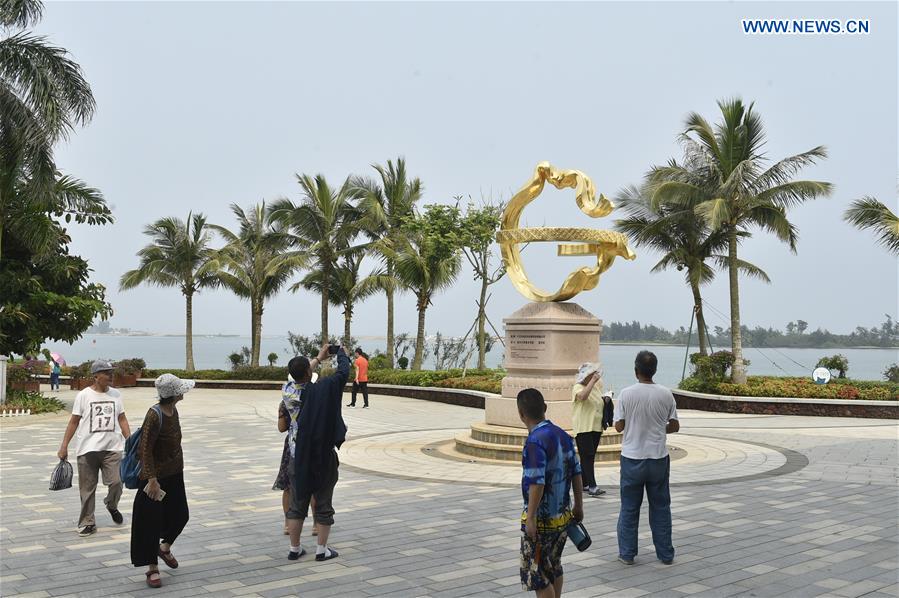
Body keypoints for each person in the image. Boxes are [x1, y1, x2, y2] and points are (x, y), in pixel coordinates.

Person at [613, 350, 679, 566]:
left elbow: (619, 426)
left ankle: (627, 553)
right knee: (660, 507)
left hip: (632, 458)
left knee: (629, 508)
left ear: (636, 370)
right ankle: (665, 554)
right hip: (658, 458)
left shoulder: (626, 394)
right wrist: (659, 429)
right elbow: (675, 426)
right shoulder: (666, 394)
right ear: (655, 370)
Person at [518, 388, 584, 598]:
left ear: (521, 414)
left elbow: (537, 483)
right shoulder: (563, 436)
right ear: (545, 409)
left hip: (541, 523)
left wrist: (530, 518)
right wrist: (578, 506)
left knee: (537, 574)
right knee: (554, 566)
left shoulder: (535, 441)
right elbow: (577, 472)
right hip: (562, 519)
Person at [286, 344, 350, 561]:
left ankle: (295, 549)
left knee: (297, 503)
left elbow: (300, 376)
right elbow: (343, 372)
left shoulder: (291, 390)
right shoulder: (328, 386)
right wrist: (341, 354)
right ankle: (322, 550)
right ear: (309, 372)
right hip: (323, 455)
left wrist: (316, 359)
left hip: (298, 454)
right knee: (323, 501)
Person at [130, 373, 194, 588]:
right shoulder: (154, 415)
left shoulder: (173, 410)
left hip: (175, 473)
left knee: (180, 515)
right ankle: (152, 568)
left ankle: (164, 548)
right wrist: (152, 479)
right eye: (181, 390)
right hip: (153, 479)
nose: (184, 393)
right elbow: (145, 449)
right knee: (150, 522)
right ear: (174, 394)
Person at [57, 359, 131, 536]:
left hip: (113, 448)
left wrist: (130, 441)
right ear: (96, 376)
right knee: (87, 489)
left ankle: (111, 505)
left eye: (111, 372)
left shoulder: (116, 394)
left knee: (116, 482)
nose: (111, 376)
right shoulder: (84, 395)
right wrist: (64, 445)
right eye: (107, 373)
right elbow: (74, 421)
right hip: (87, 449)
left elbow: (122, 418)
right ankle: (87, 522)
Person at [273, 373, 318, 537]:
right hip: (313, 444)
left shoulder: (286, 401)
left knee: (288, 485)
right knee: (315, 487)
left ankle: (287, 524)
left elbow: (281, 428)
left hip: (292, 446)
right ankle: (316, 525)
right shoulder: (316, 400)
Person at [571, 362, 610, 498]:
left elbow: (598, 401)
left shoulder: (595, 388)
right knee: (587, 455)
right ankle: (593, 486)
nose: (595, 375)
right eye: (592, 374)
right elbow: (582, 397)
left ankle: (584, 483)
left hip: (595, 426)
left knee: (589, 456)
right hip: (583, 427)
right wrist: (592, 381)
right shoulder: (577, 387)